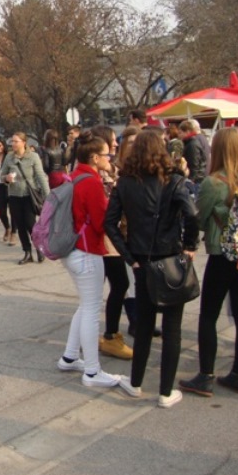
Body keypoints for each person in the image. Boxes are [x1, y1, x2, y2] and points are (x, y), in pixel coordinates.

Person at [105, 130, 199, 408]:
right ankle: (165, 392)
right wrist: (189, 246)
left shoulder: (125, 183)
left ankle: (136, 383)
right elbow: (192, 214)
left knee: (144, 325)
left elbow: (109, 223)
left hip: (142, 260)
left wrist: (129, 256)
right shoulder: (174, 181)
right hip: (170, 259)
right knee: (172, 328)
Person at [179, 128, 238, 397]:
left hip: (222, 253)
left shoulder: (213, 183)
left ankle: (205, 375)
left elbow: (200, 219)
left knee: (209, 315)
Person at [57, 131, 121, 388]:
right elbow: (101, 222)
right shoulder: (91, 182)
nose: (110, 157)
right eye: (107, 154)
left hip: (73, 250)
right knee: (92, 310)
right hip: (86, 251)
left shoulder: (75, 176)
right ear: (95, 157)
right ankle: (92, 372)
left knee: (86, 305)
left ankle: (70, 356)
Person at [90, 125, 133, 360]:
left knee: (113, 286)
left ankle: (102, 334)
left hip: (111, 237)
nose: (116, 145)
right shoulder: (97, 176)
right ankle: (110, 336)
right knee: (119, 284)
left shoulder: (110, 170)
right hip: (106, 239)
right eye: (112, 141)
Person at [1, 132, 50, 264]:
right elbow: (1, 176)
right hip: (14, 196)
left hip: (29, 196)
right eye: (12, 141)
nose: (13, 144)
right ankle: (27, 252)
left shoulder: (33, 157)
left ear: (24, 143)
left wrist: (48, 196)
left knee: (30, 224)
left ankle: (39, 248)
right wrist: (6, 178)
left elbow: (41, 176)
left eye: (16, 141)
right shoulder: (9, 157)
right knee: (20, 225)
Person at [180, 119, 208, 190]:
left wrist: (191, 180)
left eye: (181, 132)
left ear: (187, 132)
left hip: (196, 180)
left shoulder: (192, 144)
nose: (179, 135)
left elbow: (194, 164)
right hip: (198, 178)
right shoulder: (191, 142)